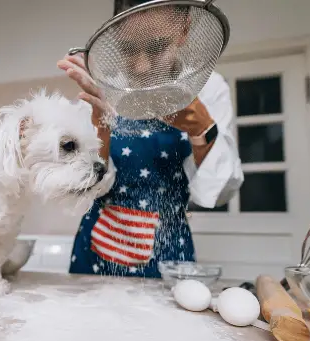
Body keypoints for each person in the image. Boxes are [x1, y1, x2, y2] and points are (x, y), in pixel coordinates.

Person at [57, 2, 244, 278]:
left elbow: (216, 193)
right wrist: (100, 122)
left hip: (170, 256)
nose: (141, 66)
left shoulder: (210, 87)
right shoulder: (103, 88)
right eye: (128, 50)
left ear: (184, 30)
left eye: (156, 48)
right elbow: (82, 190)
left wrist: (201, 126)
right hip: (97, 255)